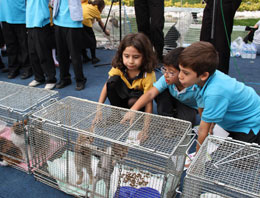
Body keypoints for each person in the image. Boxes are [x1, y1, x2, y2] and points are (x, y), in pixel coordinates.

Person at [177, 41, 260, 153]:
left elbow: (203, 130)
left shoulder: (215, 92)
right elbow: (202, 105)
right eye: (180, 70)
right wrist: (210, 126)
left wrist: (197, 158)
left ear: (204, 75)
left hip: (250, 121)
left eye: (185, 73)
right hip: (233, 118)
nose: (180, 76)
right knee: (222, 148)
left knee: (242, 161)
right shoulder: (201, 81)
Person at [121, 47, 200, 127]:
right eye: (165, 69)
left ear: (184, 72)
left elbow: (206, 107)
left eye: (171, 72)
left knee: (185, 125)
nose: (165, 74)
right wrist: (133, 110)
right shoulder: (166, 79)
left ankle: (178, 113)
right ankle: (167, 118)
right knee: (159, 91)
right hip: (172, 97)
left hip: (188, 105)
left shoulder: (195, 85)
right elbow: (150, 94)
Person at [93, 33, 157, 125]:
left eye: (136, 57)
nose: (130, 61)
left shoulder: (148, 75)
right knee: (111, 82)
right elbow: (107, 86)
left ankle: (138, 118)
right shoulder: (119, 67)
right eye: (126, 56)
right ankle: (116, 114)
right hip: (123, 97)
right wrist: (99, 108)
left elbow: (148, 101)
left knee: (133, 101)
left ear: (145, 57)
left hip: (136, 101)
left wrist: (145, 129)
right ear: (121, 54)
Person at [52, 0, 87, 91]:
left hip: (73, 23)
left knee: (75, 55)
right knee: (61, 54)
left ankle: (80, 79)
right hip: (58, 20)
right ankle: (64, 78)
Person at [200, 0, 242, 74]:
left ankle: (221, 72)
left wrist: (230, 7)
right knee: (205, 39)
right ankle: (204, 69)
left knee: (221, 43)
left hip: (224, 7)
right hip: (211, 6)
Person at [26, 0, 57, 90]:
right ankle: (39, 77)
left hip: (42, 24)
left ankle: (51, 79)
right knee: (33, 53)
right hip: (30, 23)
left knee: (43, 53)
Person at [0, 0, 32, 79]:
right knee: (10, 44)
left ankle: (28, 68)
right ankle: (13, 68)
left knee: (24, 45)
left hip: (20, 15)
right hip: (5, 15)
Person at [81, 0, 110, 64]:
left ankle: (85, 57)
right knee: (93, 40)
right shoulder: (96, 10)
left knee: (81, 40)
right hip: (86, 23)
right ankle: (94, 58)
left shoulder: (87, 5)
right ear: (101, 7)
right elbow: (100, 23)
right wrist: (105, 31)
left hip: (78, 23)